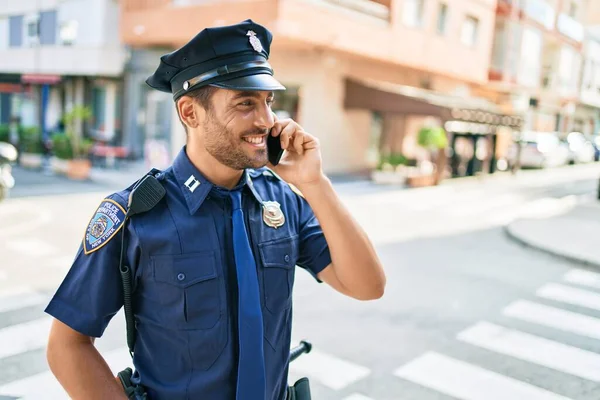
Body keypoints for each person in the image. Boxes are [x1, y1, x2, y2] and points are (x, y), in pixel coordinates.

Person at [45, 19, 386, 400]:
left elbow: (367, 286)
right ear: (190, 113)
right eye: (245, 103)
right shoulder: (135, 215)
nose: (267, 121)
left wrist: (314, 184)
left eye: (267, 102)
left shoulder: (282, 199)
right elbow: (67, 346)